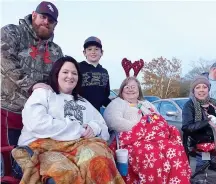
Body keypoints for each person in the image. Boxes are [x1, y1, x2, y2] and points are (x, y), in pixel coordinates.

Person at [12, 56, 125, 184]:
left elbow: (103, 127)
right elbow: (36, 123)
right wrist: (79, 130)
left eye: (74, 73)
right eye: (65, 72)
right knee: (66, 173)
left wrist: (94, 127)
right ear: (57, 74)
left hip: (78, 149)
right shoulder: (43, 93)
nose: (70, 76)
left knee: (99, 160)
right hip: (42, 147)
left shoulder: (83, 102)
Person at [103, 76, 191, 184]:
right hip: (132, 141)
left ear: (138, 89)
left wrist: (155, 129)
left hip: (156, 139)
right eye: (127, 87)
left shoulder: (146, 104)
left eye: (133, 87)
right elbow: (113, 120)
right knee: (152, 155)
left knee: (175, 150)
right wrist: (141, 129)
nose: (130, 89)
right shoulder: (117, 103)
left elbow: (159, 119)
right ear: (121, 90)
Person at [1, 1, 63, 145]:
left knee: (33, 162)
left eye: (51, 20)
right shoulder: (12, 32)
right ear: (34, 15)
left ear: (55, 24)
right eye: (43, 17)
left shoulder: (56, 50)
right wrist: (32, 85)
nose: (46, 22)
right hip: (10, 111)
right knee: (8, 158)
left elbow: (59, 79)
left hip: (41, 117)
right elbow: (4, 60)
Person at [182, 75, 216, 172]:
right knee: (204, 171)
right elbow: (186, 127)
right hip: (202, 142)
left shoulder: (214, 103)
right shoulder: (189, 105)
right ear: (193, 90)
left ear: (208, 89)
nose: (201, 90)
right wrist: (208, 123)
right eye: (198, 87)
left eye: (204, 87)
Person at [79, 36, 111, 111]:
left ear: (101, 52)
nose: (93, 52)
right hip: (80, 109)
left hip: (96, 112)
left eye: (96, 49)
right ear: (84, 52)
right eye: (89, 49)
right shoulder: (77, 68)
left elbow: (105, 96)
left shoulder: (104, 72)